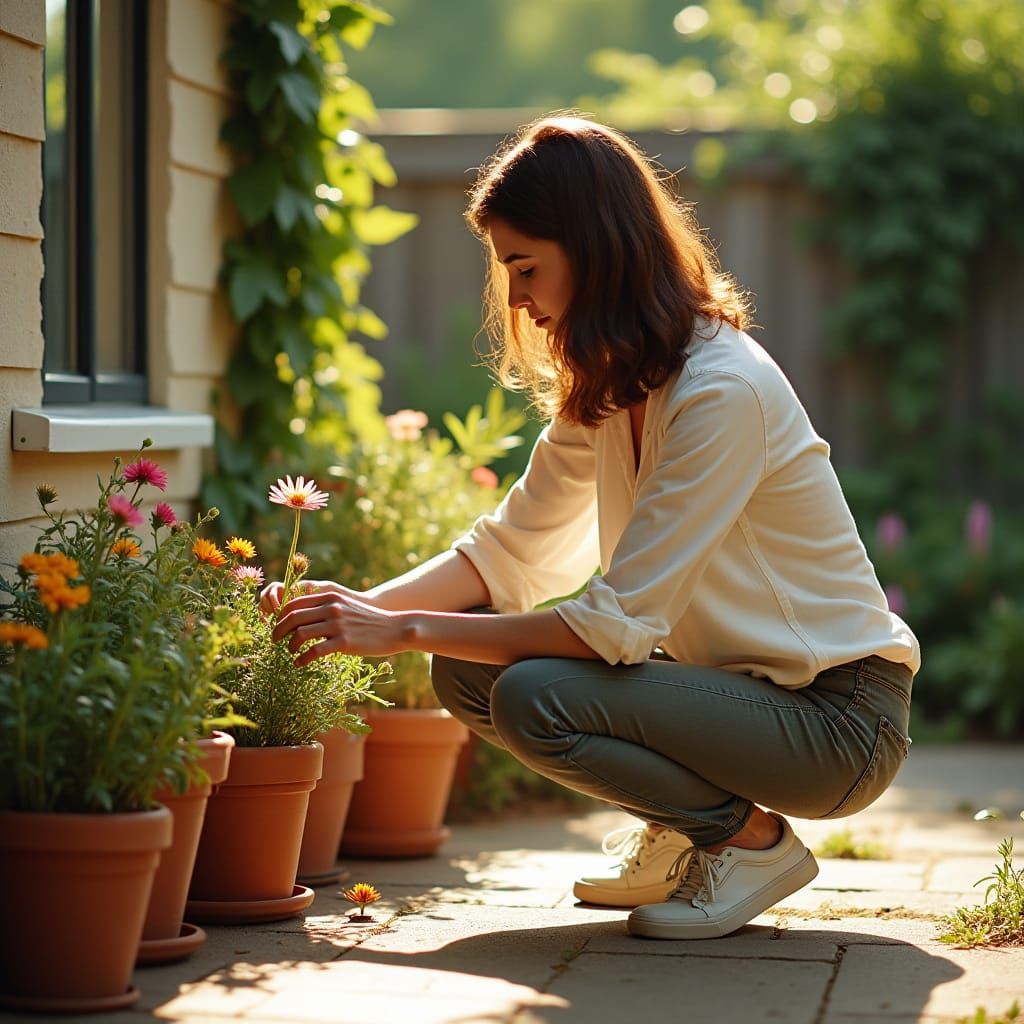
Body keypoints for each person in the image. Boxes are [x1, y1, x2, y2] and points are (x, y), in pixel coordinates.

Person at [262, 115, 920, 941]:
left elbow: (615, 624)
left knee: (535, 693)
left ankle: (747, 844)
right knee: (465, 668)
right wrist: (345, 615)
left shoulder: (722, 391)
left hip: (835, 720)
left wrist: (390, 628)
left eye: (526, 267)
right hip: (738, 697)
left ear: (595, 247)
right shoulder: (613, 388)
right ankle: (686, 830)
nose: (518, 299)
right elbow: (508, 554)